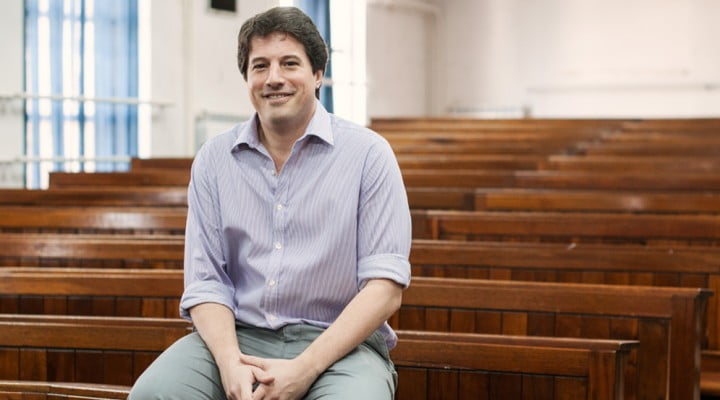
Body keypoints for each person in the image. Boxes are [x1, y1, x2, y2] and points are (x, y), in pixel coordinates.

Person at [129, 6, 411, 400]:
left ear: (317, 74)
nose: (274, 78)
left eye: (289, 63)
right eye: (260, 66)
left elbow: (385, 288)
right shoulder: (214, 159)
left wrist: (305, 368)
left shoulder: (369, 155)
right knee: (154, 394)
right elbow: (206, 282)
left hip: (339, 345)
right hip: (237, 336)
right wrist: (229, 363)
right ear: (247, 78)